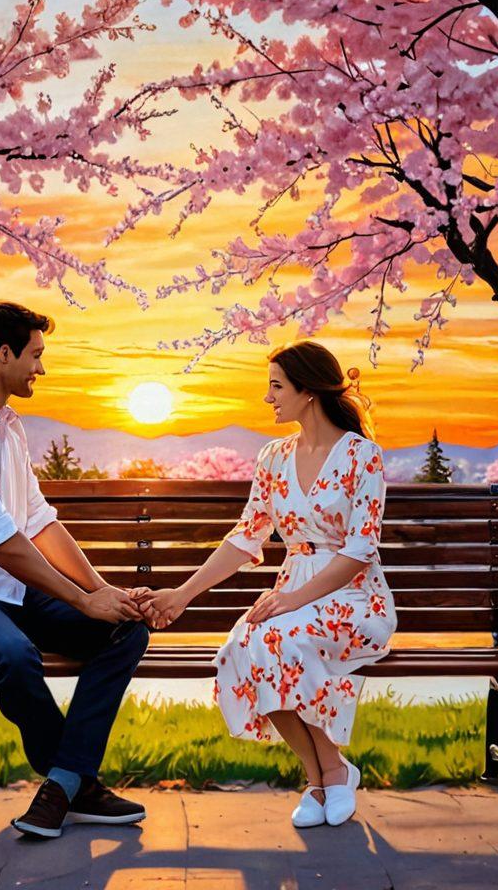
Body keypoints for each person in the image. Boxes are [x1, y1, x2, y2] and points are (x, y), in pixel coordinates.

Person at [0, 301, 151, 839]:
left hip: (12, 592)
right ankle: (75, 785)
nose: (41, 368)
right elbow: (1, 543)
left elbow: (39, 523)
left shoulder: (7, 426)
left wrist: (101, 590)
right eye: (36, 355)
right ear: (4, 354)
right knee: (14, 655)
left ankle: (63, 783)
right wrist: (81, 600)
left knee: (127, 626)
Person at [139, 341, 395, 828]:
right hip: (291, 593)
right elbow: (245, 538)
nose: (268, 397)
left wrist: (292, 601)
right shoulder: (273, 457)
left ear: (308, 390)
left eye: (276, 386)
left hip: (353, 596)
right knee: (243, 646)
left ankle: (333, 771)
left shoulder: (364, 457)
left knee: (279, 638)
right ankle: (320, 775)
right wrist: (181, 594)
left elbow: (360, 550)